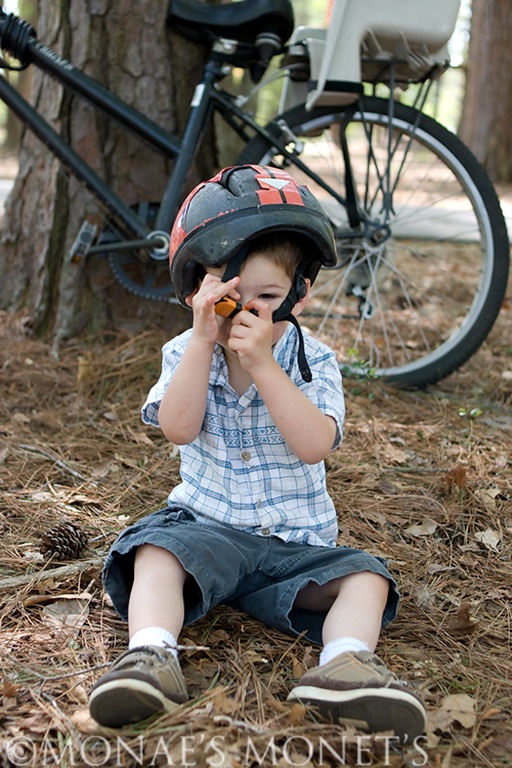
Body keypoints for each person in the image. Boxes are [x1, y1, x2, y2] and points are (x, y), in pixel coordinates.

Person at [88, 165, 426, 742]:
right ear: (198, 292)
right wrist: (200, 342)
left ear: (300, 293)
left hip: (295, 547)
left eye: (268, 298)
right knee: (154, 552)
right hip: (208, 534)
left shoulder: (310, 360)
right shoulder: (184, 350)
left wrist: (266, 367)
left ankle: (344, 667)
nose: (248, 314)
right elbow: (176, 427)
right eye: (229, 299)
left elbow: (315, 442)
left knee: (366, 578)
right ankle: (149, 657)